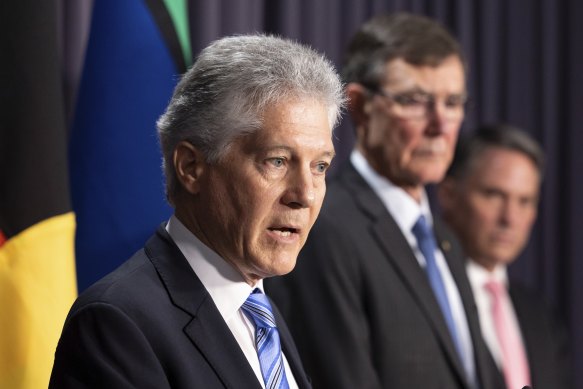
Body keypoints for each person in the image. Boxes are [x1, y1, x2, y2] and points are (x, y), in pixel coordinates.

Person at [49, 34, 344, 389]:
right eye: (277, 161)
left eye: (320, 166)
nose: (305, 195)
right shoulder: (116, 324)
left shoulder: (262, 312)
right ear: (191, 166)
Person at [266, 13, 502, 389]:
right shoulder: (324, 228)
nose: (440, 125)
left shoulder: (445, 240)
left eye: (453, 102)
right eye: (415, 101)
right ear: (359, 106)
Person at [438, 124, 573, 389]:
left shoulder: (541, 316)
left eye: (525, 201)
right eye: (494, 195)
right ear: (449, 195)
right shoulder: (427, 296)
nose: (510, 218)